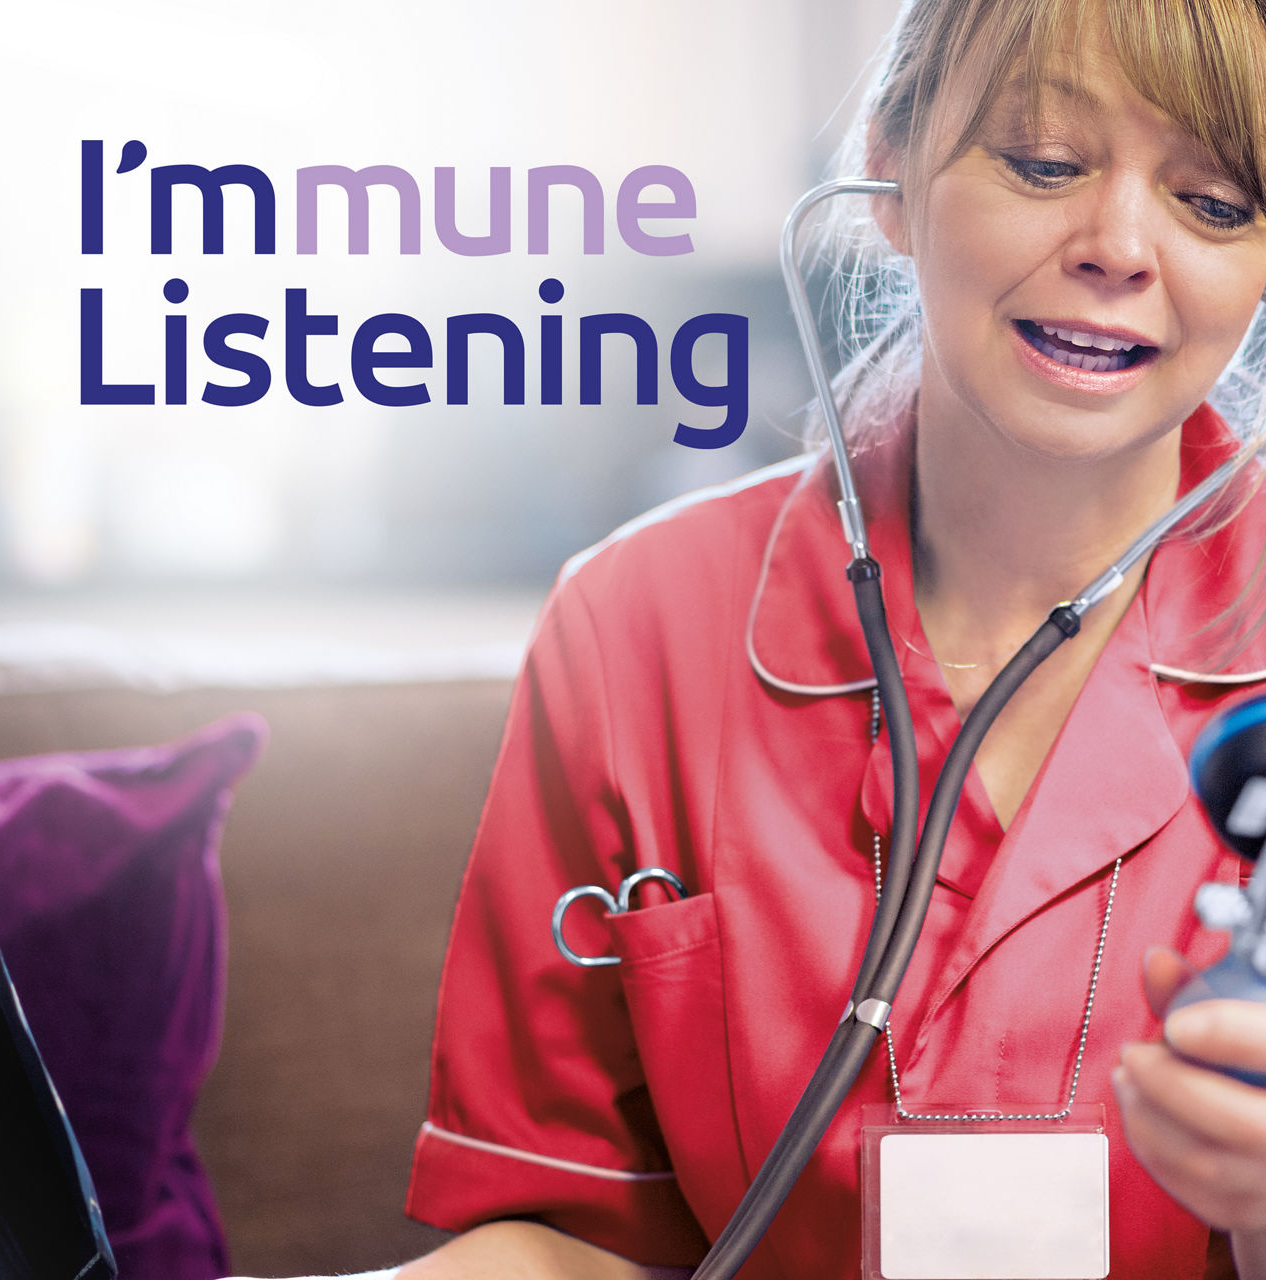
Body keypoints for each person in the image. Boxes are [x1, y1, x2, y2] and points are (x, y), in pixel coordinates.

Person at [229, 0, 1266, 1275]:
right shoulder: (637, 627)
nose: (1117, 245)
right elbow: (568, 1236)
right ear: (888, 170)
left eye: (1214, 202)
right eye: (1043, 162)